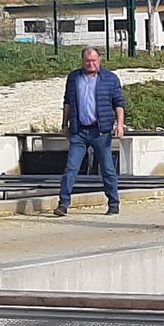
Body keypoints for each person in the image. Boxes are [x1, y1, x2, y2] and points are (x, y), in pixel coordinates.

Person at [55, 47, 125, 217]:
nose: (91, 64)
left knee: (107, 168)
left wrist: (120, 124)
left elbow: (119, 103)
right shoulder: (74, 78)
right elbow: (67, 102)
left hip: (100, 131)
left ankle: (113, 202)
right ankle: (63, 204)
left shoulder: (110, 78)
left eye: (94, 60)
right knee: (71, 167)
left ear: (99, 60)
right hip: (79, 130)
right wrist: (64, 124)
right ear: (82, 61)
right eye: (87, 61)